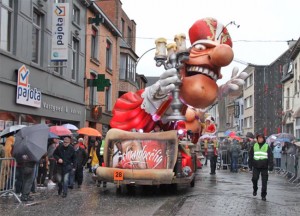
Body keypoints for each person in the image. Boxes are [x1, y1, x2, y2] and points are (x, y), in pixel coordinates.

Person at [248, 133, 273, 201]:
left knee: (264, 182)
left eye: (261, 138)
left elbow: (270, 157)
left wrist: (271, 166)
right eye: (259, 138)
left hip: (264, 167)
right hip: (256, 166)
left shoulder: (267, 146)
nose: (260, 139)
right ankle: (255, 189)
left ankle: (263, 195)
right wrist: (250, 166)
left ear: (263, 139)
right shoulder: (254, 146)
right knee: (254, 179)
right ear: (257, 139)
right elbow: (250, 156)